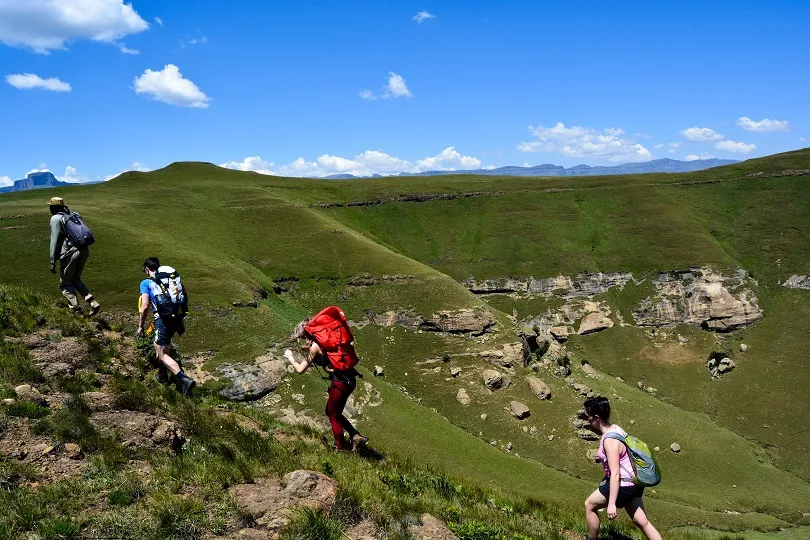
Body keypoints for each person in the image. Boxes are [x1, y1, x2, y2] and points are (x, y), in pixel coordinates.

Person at [583, 396, 661, 540]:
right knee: (642, 521)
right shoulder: (616, 429)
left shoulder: (610, 441)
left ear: (596, 417)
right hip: (635, 483)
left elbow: (615, 474)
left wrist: (611, 504)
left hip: (623, 485)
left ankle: (591, 538)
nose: (587, 419)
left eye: (588, 416)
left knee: (590, 505)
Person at [285, 319, 368, 451]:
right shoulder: (327, 341)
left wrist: (290, 357)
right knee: (333, 412)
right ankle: (356, 437)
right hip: (349, 380)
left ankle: (341, 447)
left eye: (302, 337)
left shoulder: (315, 347)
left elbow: (300, 369)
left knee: (333, 415)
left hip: (339, 383)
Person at [137, 257, 196, 396]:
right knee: (162, 346)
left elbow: (144, 306)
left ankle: (183, 379)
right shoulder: (170, 281)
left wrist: (140, 326)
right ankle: (163, 375)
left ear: (147, 269)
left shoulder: (146, 282)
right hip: (176, 318)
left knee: (162, 353)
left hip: (162, 319)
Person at [48, 197, 100, 315]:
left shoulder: (56, 218)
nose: (49, 209)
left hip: (70, 253)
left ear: (54, 207)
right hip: (83, 250)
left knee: (65, 283)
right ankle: (92, 302)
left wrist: (52, 260)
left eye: (51, 206)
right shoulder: (73, 214)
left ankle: (77, 311)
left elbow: (54, 239)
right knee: (76, 279)